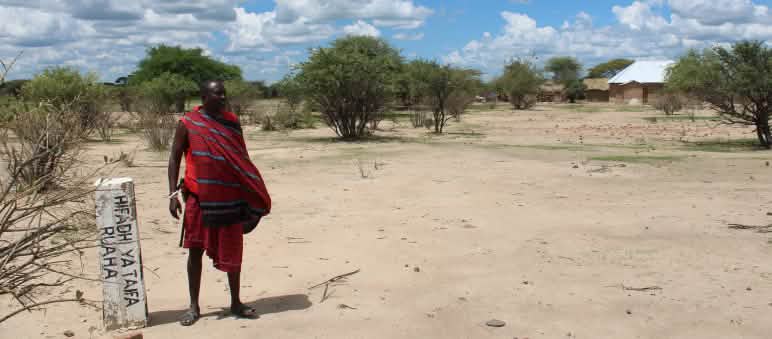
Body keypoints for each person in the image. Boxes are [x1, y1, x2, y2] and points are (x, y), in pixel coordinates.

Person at [168, 80, 271, 326]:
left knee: (233, 249)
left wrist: (251, 191)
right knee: (195, 250)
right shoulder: (188, 124)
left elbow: (240, 159)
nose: (223, 97)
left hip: (229, 196)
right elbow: (173, 158)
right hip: (198, 197)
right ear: (204, 96)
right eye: (217, 93)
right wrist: (172, 195)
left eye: (224, 93)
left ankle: (235, 301)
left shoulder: (231, 122)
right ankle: (193, 306)